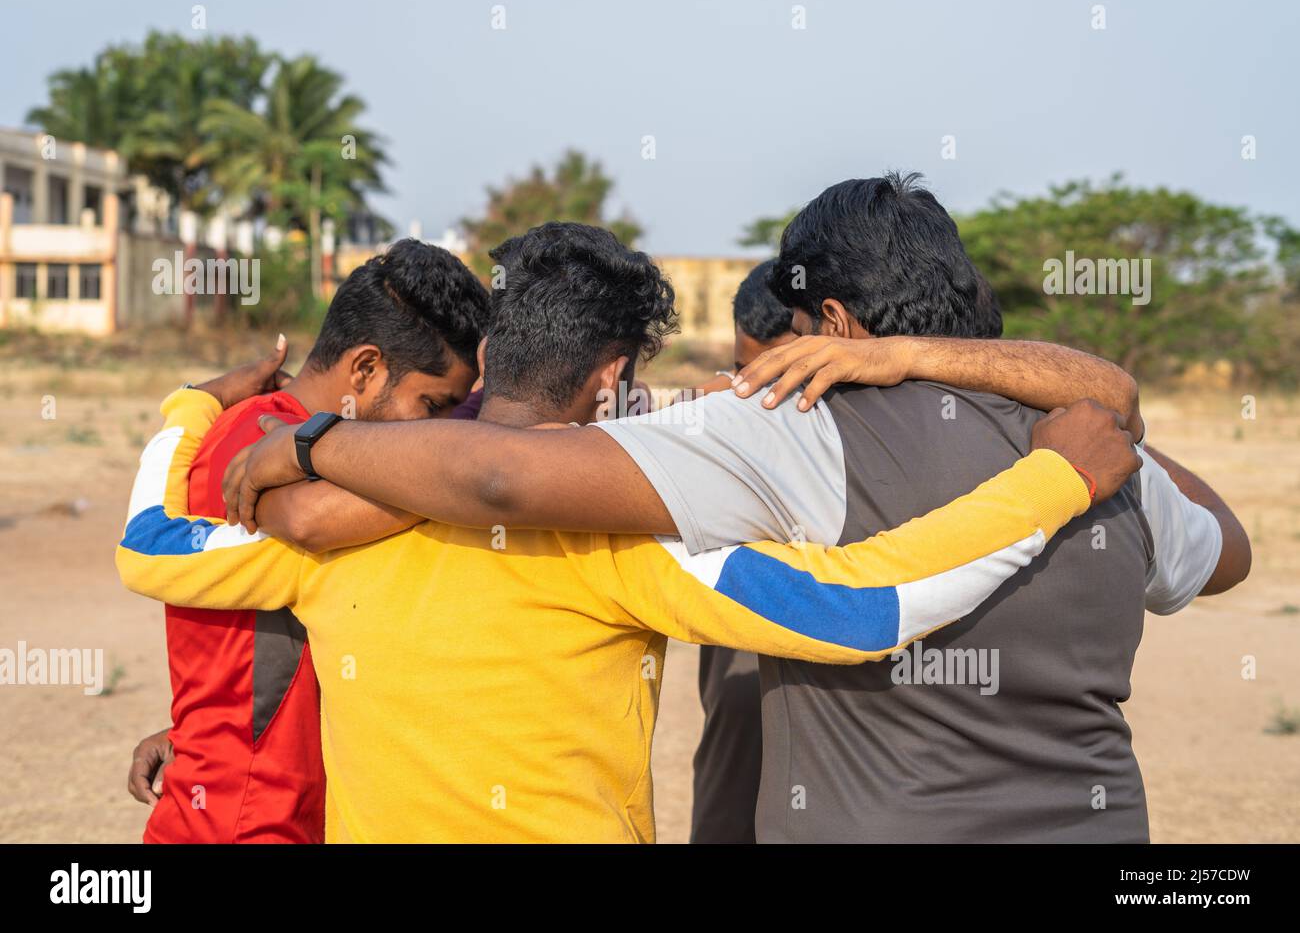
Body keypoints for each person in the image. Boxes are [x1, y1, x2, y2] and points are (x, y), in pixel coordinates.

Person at [219, 177, 1248, 843]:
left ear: (834, 325)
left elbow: (502, 476)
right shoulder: (1117, 459)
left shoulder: (786, 436)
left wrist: (305, 443)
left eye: (797, 334)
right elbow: (1225, 551)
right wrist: (1062, 455)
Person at [126, 239, 489, 843]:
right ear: (366, 369)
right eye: (432, 406)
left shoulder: (262, 430)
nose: (436, 433)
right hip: (249, 819)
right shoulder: (272, 450)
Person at [688, 259, 794, 844]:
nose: (752, 394)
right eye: (740, 372)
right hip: (739, 707)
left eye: (778, 376)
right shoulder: (716, 426)